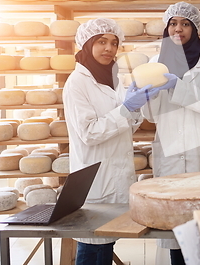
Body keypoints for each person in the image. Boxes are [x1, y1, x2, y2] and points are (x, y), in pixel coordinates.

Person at [63, 18, 163, 265]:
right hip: (94, 176)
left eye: (114, 43)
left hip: (116, 173)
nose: (109, 48)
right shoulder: (77, 83)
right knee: (91, 242)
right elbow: (89, 132)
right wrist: (125, 110)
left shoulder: (112, 79)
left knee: (106, 239)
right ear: (87, 44)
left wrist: (136, 108)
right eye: (101, 41)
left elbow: (127, 125)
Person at [141, 2, 200, 265]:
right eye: (173, 23)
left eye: (185, 23)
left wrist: (176, 85)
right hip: (170, 154)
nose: (178, 29)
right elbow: (150, 115)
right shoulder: (154, 62)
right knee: (176, 228)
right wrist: (146, 95)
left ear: (194, 28)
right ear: (166, 27)